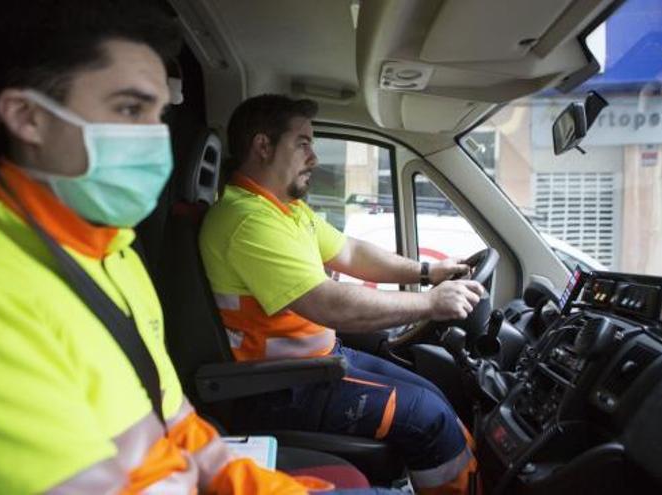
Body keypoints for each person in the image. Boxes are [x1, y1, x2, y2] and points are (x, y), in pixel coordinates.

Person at [0, 3, 375, 493]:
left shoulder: (115, 255)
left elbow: (175, 421)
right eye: (129, 108)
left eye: (157, 115)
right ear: (27, 117)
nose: (154, 138)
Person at [199, 94, 487, 494]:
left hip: (316, 364)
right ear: (263, 146)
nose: (314, 157)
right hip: (278, 387)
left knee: (433, 392)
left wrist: (427, 272)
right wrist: (432, 302)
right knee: (431, 417)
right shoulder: (247, 221)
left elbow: (351, 252)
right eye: (302, 143)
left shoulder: (284, 210)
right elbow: (328, 303)